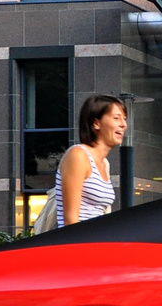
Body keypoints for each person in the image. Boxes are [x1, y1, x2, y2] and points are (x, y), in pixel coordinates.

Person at [51, 95, 126, 227]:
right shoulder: (78, 155)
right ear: (96, 123)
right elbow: (70, 220)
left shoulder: (104, 163)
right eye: (116, 118)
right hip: (76, 244)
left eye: (124, 119)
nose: (123, 124)